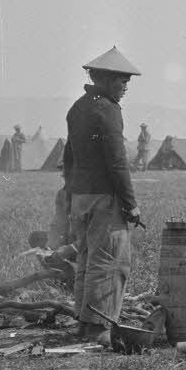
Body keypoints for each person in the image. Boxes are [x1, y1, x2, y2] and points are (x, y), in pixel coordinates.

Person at [63, 46, 142, 345]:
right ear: (107, 80)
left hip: (81, 197)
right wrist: (131, 204)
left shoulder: (78, 107)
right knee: (110, 261)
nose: (125, 87)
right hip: (103, 197)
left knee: (87, 260)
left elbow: (68, 157)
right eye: (122, 82)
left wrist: (71, 194)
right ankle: (99, 329)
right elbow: (117, 161)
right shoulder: (108, 109)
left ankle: (83, 324)